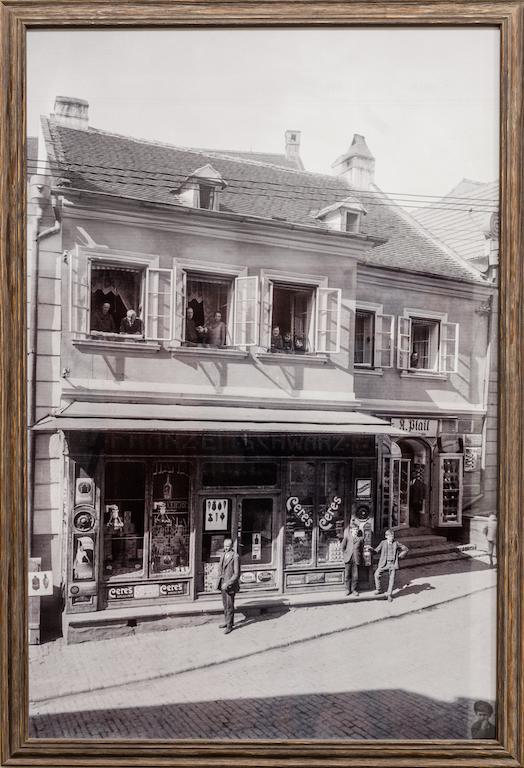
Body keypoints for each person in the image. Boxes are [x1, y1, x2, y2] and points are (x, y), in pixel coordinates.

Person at [373, 529, 408, 602]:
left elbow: (406, 549)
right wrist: (371, 549)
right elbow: (376, 551)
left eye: (392, 536)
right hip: (384, 563)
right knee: (376, 575)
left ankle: (389, 594)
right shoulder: (383, 543)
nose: (392, 538)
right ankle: (378, 589)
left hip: (392, 564)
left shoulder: (396, 543)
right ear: (386, 536)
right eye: (390, 536)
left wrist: (400, 555)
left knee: (391, 579)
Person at [215, 538, 240, 634]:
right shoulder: (223, 555)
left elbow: (236, 574)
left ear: (232, 546)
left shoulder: (235, 557)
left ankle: (229, 626)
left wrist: (228, 583)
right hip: (223, 584)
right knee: (225, 604)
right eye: (225, 546)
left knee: (229, 605)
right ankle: (228, 621)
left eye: (228, 546)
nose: (226, 548)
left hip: (230, 585)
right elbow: (221, 568)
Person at [341, 523, 362, 596]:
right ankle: (347, 589)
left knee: (355, 576)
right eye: (354, 529)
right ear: (351, 530)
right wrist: (345, 555)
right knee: (347, 575)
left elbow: (361, 549)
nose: (355, 531)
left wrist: (359, 556)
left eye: (356, 529)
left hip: (356, 559)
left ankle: (354, 590)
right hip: (348, 559)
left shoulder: (359, 539)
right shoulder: (347, 537)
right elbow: (342, 548)